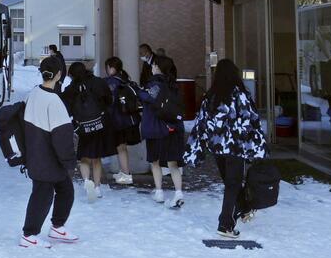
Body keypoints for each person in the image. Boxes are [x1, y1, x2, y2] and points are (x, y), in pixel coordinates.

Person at [184, 58, 268, 239]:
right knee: (233, 183)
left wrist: (197, 146)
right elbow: (251, 121)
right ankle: (226, 224)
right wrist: (257, 147)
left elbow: (201, 123)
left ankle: (243, 210)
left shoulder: (211, 96)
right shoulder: (241, 95)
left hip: (217, 148)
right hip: (236, 147)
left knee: (231, 183)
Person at [20, 56, 79, 248]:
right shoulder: (54, 101)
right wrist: (70, 162)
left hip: (36, 154)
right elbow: (62, 137)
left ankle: (57, 226)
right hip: (48, 159)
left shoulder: (33, 93)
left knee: (65, 190)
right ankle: (29, 235)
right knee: (42, 195)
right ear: (59, 75)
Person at [137, 54, 185, 207]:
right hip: (173, 127)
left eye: (154, 65)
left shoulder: (154, 84)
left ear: (158, 67)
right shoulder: (174, 84)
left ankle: (159, 192)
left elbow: (149, 99)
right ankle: (178, 192)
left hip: (156, 128)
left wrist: (139, 91)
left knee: (155, 162)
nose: (152, 67)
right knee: (173, 163)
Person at [62, 62, 113, 202]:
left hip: (82, 127)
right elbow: (109, 99)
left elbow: (65, 107)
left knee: (83, 157)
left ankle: (86, 181)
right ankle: (97, 187)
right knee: (96, 158)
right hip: (98, 125)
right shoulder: (98, 82)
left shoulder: (71, 88)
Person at [104, 56, 141, 185]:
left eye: (108, 67)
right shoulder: (126, 79)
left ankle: (126, 174)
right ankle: (124, 172)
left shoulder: (111, 82)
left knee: (120, 147)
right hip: (129, 119)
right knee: (122, 147)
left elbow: (109, 103)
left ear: (111, 68)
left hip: (117, 120)